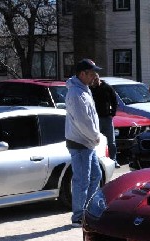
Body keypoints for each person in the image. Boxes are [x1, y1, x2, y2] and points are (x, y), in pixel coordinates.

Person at [65, 58, 103, 227]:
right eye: (92, 72)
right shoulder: (76, 93)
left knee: (96, 175)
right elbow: (83, 121)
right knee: (82, 180)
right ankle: (78, 216)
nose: (95, 75)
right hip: (81, 142)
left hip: (87, 142)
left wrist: (93, 137)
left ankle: (87, 210)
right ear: (82, 74)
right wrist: (96, 136)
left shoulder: (84, 89)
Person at [90, 75, 119, 166]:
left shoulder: (107, 87)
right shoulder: (90, 89)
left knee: (111, 142)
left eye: (96, 79)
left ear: (98, 79)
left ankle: (113, 160)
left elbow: (114, 100)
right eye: (93, 80)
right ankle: (99, 161)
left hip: (107, 118)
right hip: (95, 119)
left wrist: (112, 113)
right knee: (96, 141)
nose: (94, 82)